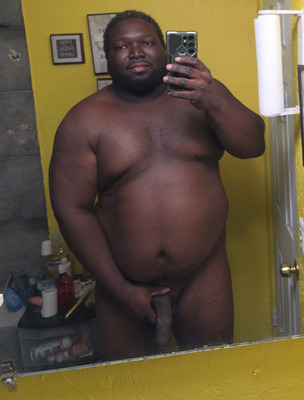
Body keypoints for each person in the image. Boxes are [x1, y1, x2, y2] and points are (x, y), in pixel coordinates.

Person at [49, 10, 265, 361]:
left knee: (213, 375)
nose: (136, 52)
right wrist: (120, 289)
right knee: (131, 383)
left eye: (147, 42)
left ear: (165, 50)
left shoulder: (202, 96)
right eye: (121, 46)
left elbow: (253, 145)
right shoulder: (84, 121)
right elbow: (71, 209)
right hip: (123, 282)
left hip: (203, 278)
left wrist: (215, 100)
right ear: (107, 57)